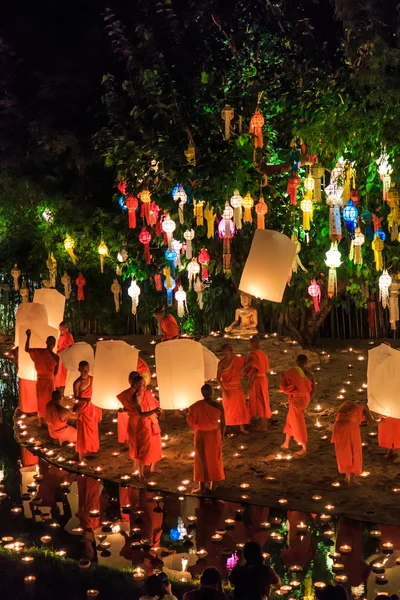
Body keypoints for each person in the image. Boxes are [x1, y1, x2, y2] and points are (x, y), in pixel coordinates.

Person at [186, 384, 225, 493]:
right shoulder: (218, 406)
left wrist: (187, 415)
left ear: (202, 393)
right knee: (213, 459)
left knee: (200, 458)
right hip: (214, 434)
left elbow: (191, 422)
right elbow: (223, 423)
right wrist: (222, 435)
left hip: (201, 434)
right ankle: (213, 484)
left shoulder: (196, 406)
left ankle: (202, 486)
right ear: (212, 393)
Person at [331, 400, 378, 487]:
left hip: (338, 426)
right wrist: (381, 421)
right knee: (353, 451)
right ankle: (351, 481)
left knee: (344, 451)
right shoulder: (364, 406)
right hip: (350, 427)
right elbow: (371, 422)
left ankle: (347, 477)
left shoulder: (347, 404)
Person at [280, 354, 315, 456]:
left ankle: (304, 448)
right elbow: (314, 389)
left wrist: (282, 378)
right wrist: (308, 400)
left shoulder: (292, 372)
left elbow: (286, 387)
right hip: (305, 399)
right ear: (306, 363)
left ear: (296, 362)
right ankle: (286, 443)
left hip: (296, 400)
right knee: (290, 420)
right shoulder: (310, 374)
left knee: (298, 423)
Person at [131, 375, 163, 482]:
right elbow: (141, 414)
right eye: (140, 384)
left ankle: (154, 467)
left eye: (144, 383)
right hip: (144, 424)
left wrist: (158, 410)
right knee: (144, 448)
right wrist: (153, 411)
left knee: (156, 444)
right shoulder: (136, 397)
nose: (143, 385)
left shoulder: (148, 393)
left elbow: (155, 404)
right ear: (134, 385)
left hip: (153, 421)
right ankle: (141, 473)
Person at [25, 329, 59, 425]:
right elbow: (56, 372)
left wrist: (28, 336)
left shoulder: (38, 352)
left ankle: (40, 421)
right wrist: (50, 376)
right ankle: (49, 420)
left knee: (40, 400)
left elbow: (26, 349)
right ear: (54, 344)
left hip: (40, 379)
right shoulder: (56, 357)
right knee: (50, 401)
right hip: (49, 380)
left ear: (46, 343)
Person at [217, 344, 249, 434]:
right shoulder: (221, 363)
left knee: (241, 407)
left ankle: (242, 427)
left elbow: (250, 362)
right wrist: (224, 391)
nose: (229, 350)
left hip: (237, 387)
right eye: (227, 349)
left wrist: (243, 368)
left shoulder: (238, 359)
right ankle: (225, 426)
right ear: (223, 351)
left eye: (230, 349)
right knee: (227, 409)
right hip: (227, 389)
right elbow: (218, 378)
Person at [72, 361, 99, 461]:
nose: (85, 372)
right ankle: (81, 455)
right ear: (79, 370)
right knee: (83, 431)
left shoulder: (92, 379)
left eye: (87, 370)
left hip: (92, 408)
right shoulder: (77, 382)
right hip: (83, 408)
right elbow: (76, 398)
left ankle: (90, 450)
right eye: (83, 370)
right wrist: (84, 400)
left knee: (92, 430)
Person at [246, 336, 271, 431]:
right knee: (263, 399)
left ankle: (264, 424)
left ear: (253, 343)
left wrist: (250, 382)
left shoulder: (254, 354)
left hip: (257, 380)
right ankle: (255, 420)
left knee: (260, 401)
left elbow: (255, 370)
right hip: (264, 379)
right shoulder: (263, 354)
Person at [117, 370, 139, 466]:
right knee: (135, 440)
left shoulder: (140, 392)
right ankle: (136, 463)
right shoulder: (129, 393)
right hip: (136, 419)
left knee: (137, 441)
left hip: (139, 419)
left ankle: (137, 463)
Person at [54, 321, 74, 392]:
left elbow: (65, 348)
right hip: (59, 358)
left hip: (64, 359)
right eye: (60, 330)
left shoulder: (69, 337)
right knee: (59, 375)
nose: (61, 331)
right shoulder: (61, 336)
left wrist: (56, 352)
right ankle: (59, 390)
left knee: (64, 376)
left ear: (66, 329)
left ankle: (63, 391)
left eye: (62, 330)